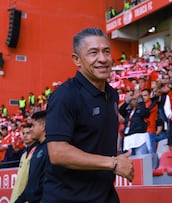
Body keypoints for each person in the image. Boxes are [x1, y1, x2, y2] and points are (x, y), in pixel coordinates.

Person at [43, 28, 134, 202]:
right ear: (76, 60)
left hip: (105, 195)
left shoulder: (112, 95)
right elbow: (57, 152)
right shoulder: (65, 95)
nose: (103, 58)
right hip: (68, 198)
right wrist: (113, 163)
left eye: (106, 51)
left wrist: (116, 158)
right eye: (93, 53)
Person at [10, 124, 37, 203]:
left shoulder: (38, 153)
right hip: (17, 195)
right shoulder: (23, 155)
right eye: (23, 133)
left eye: (28, 133)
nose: (25, 136)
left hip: (29, 197)